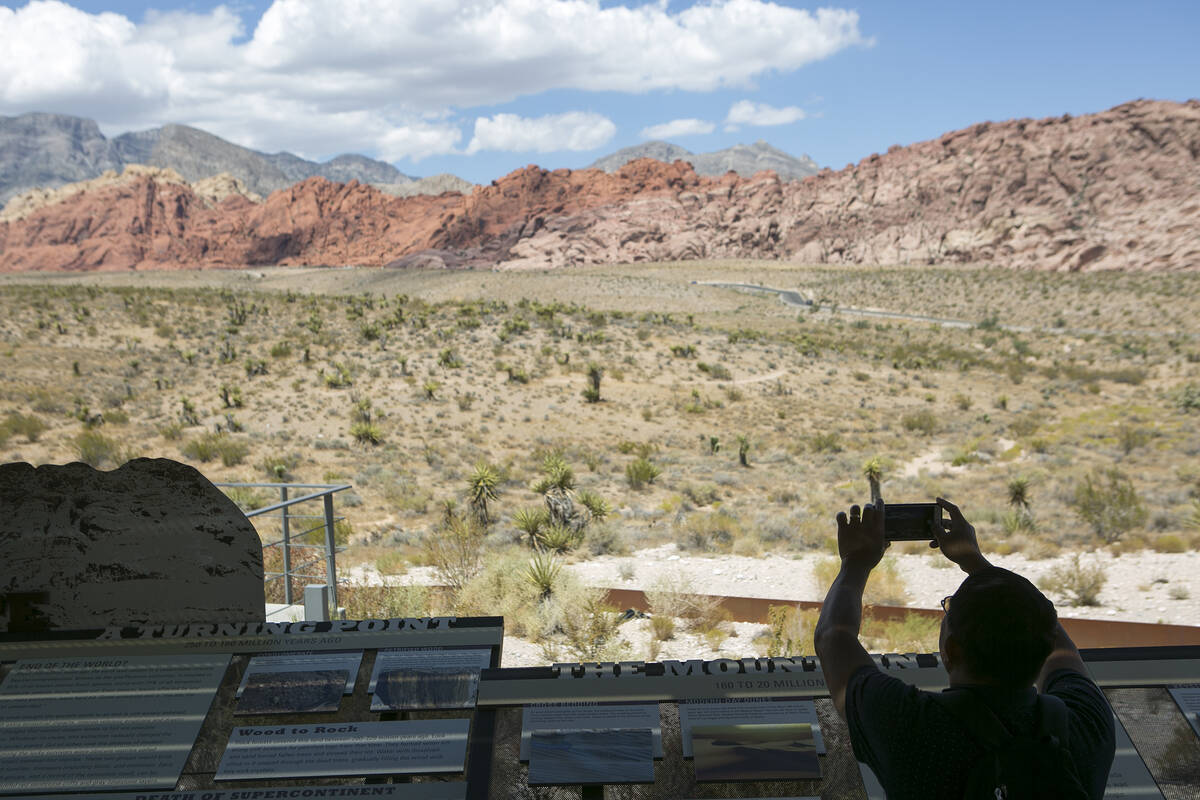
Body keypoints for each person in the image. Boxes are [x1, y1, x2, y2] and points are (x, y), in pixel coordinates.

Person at [813, 497, 1116, 799]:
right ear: (1045, 646)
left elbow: (832, 637)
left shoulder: (911, 725)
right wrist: (976, 563)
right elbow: (1061, 648)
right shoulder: (1086, 722)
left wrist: (856, 562)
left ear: (952, 650)